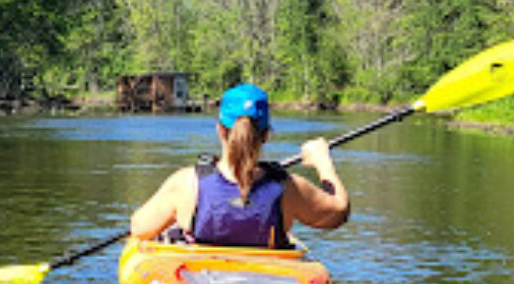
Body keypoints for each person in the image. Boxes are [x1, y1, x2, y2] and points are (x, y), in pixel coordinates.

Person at [130, 83, 350, 248]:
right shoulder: (288, 188)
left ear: (220, 129)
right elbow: (339, 212)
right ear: (265, 135)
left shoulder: (187, 183)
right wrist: (323, 163)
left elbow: (138, 228)